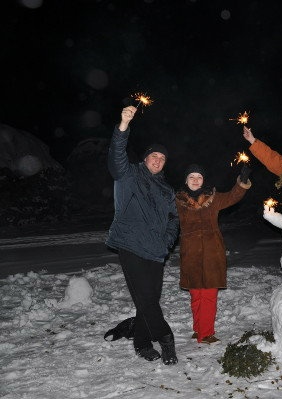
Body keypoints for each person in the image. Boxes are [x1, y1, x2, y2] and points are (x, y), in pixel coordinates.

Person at [105, 105, 179, 365]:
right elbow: (117, 158)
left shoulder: (167, 189)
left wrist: (168, 241)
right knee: (147, 299)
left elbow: (173, 219)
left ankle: (141, 342)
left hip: (156, 251)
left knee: (148, 300)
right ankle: (166, 338)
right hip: (131, 245)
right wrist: (123, 125)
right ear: (146, 158)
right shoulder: (130, 175)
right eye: (154, 156)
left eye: (162, 158)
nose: (158, 160)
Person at [175, 163, 252, 344]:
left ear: (203, 181)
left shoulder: (213, 198)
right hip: (191, 254)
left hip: (212, 253)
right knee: (196, 296)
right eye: (192, 177)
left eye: (199, 177)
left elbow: (233, 196)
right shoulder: (177, 201)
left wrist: (243, 181)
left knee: (208, 295)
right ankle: (199, 329)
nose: (195, 180)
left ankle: (205, 333)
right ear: (186, 180)